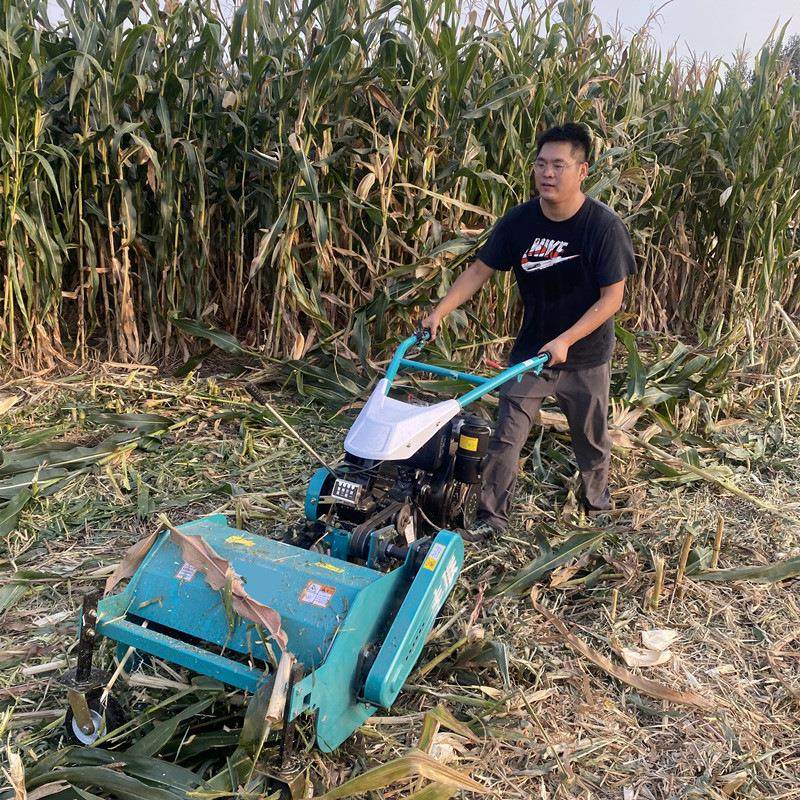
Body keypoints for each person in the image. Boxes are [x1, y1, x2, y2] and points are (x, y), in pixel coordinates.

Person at [420, 122, 636, 537]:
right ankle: (491, 519)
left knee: (590, 439)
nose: (547, 173)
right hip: (531, 356)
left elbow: (612, 299)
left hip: (586, 357)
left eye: (558, 165)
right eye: (541, 164)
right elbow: (481, 269)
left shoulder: (603, 228)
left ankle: (598, 505)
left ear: (582, 171)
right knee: (505, 439)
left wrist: (567, 340)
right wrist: (439, 312)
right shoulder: (520, 222)